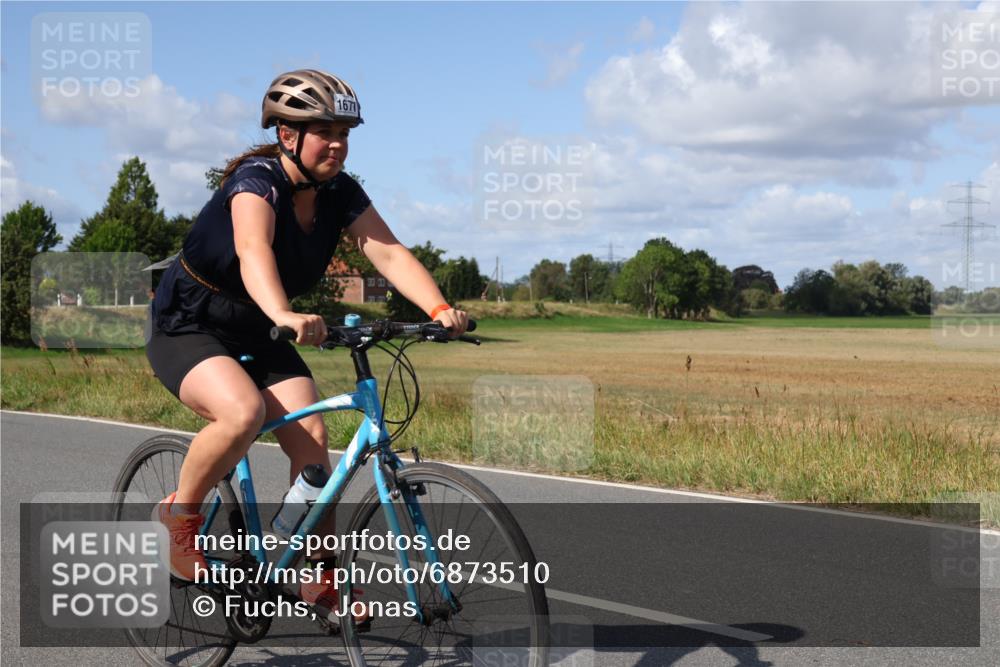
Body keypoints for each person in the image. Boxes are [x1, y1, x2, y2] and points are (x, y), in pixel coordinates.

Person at [145, 69, 468, 614]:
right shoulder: (255, 182)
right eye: (325, 132)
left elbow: (387, 252)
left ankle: (316, 574)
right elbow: (253, 250)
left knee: (313, 435)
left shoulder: (340, 192)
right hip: (190, 322)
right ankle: (178, 517)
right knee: (242, 413)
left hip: (260, 327)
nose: (338, 144)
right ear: (287, 135)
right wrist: (283, 312)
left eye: (344, 133)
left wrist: (438, 309)